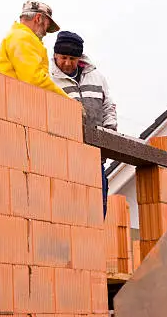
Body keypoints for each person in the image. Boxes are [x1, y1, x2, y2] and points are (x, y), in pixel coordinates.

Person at [51, 31, 117, 218]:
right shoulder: (48, 78)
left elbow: (108, 105)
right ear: (55, 55)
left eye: (72, 58)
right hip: (63, 158)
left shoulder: (96, 77)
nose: (67, 63)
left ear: (79, 58)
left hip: (95, 157)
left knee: (97, 212)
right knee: (69, 213)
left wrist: (110, 132)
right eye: (63, 57)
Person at [0, 1, 68, 97]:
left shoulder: (16, 36)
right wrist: (67, 101)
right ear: (38, 18)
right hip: (16, 101)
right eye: (47, 26)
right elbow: (35, 79)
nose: (46, 33)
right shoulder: (23, 38)